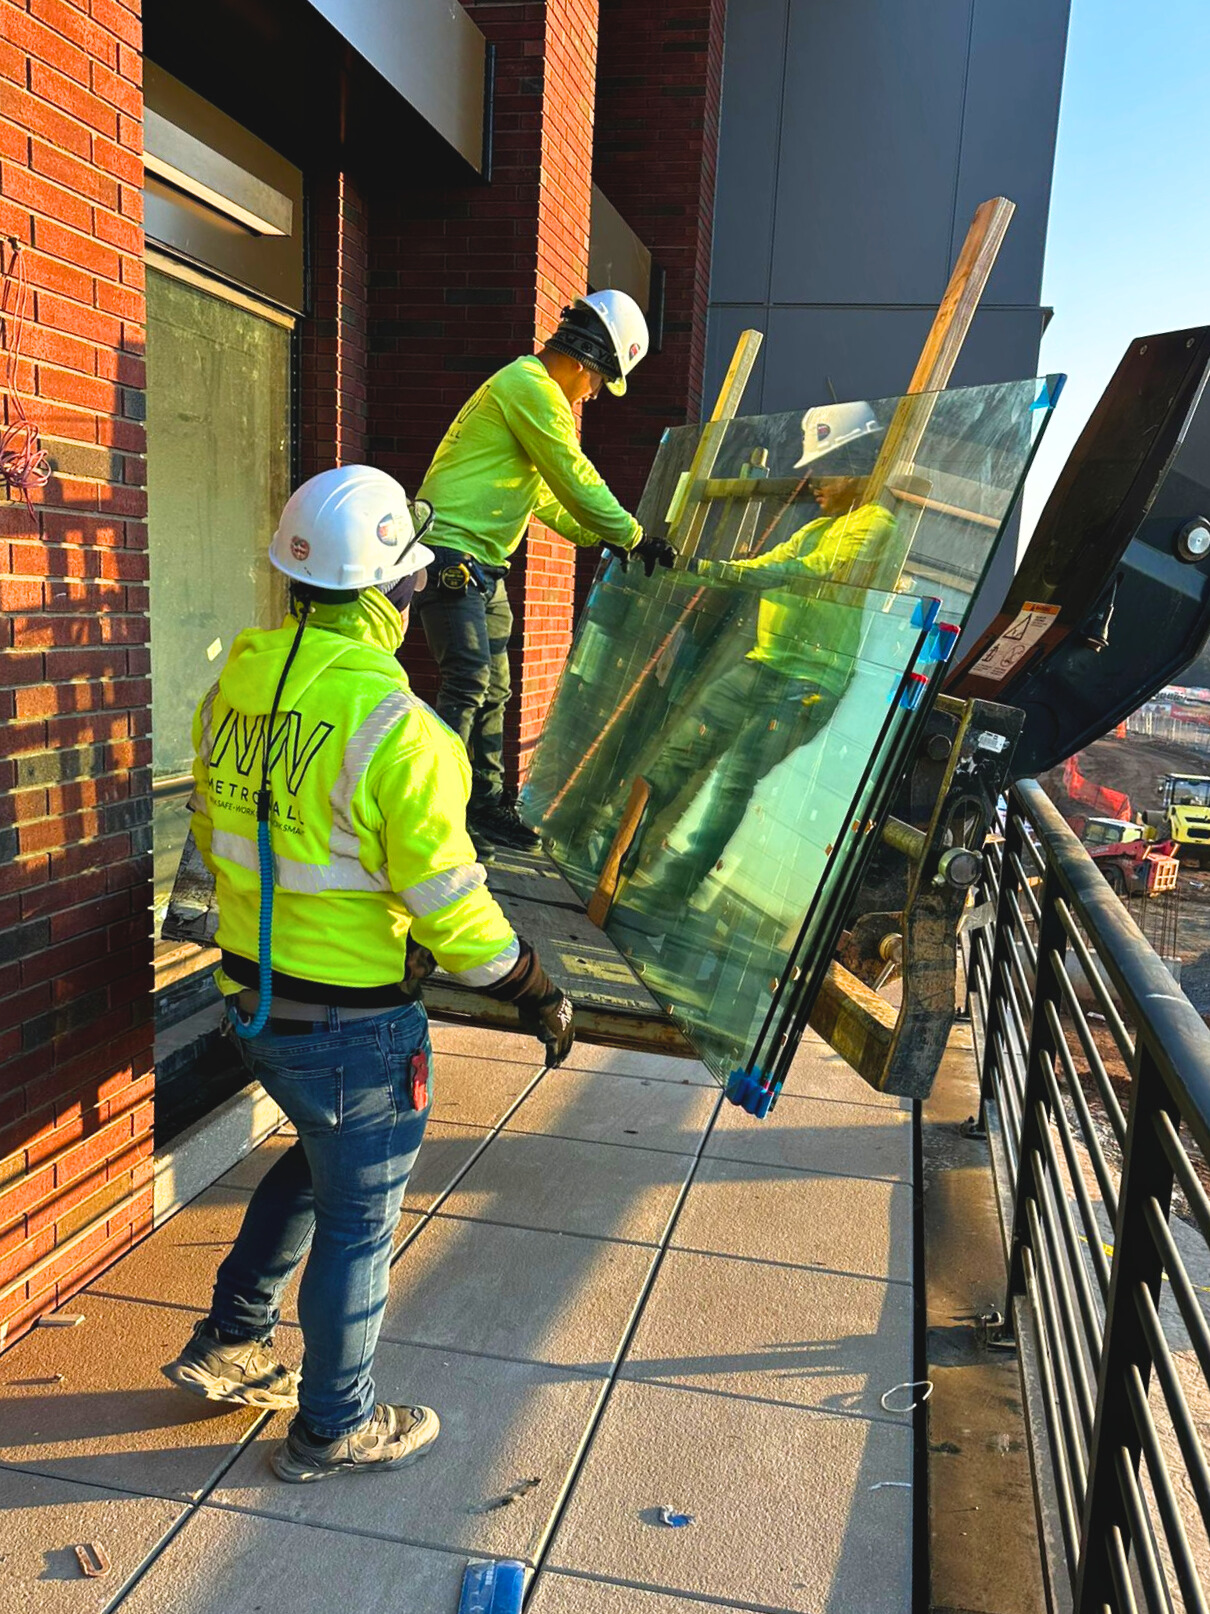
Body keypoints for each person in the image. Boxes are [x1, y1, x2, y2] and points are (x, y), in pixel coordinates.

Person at [162, 465, 575, 1485]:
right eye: (412, 580)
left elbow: (213, 842)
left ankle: (231, 1341)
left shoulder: (230, 696)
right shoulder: (401, 730)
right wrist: (532, 987)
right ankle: (333, 1427)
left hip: (256, 1001)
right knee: (359, 1219)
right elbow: (459, 919)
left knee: (317, 1163)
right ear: (391, 591)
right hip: (354, 1027)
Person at [415, 289, 675, 859]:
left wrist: (601, 534)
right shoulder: (532, 389)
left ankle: (482, 805)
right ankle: (434, 816)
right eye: (600, 381)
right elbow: (574, 474)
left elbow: (547, 495)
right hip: (452, 557)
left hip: (478, 563)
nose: (594, 394)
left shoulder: (524, 389)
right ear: (587, 360)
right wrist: (631, 536)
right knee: (468, 681)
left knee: (495, 688)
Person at [615, 403, 894, 922]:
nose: (814, 481)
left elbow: (810, 570)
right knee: (678, 753)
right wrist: (694, 568)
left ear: (859, 467)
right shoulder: (815, 528)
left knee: (735, 778)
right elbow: (765, 564)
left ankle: (667, 900)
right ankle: (618, 859)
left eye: (827, 468)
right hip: (764, 663)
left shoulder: (874, 523)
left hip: (810, 680)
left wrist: (726, 571)